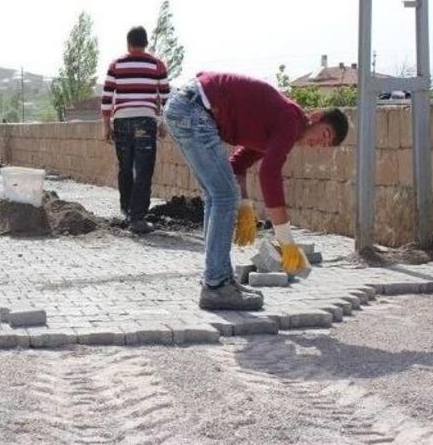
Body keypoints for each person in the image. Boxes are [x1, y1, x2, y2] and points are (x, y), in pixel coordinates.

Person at [162, 72, 349, 311]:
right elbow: (269, 174)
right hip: (194, 109)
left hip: (186, 106)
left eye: (326, 145)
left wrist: (245, 206)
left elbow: (238, 164)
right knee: (224, 195)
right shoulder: (291, 121)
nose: (320, 144)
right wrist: (285, 238)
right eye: (325, 135)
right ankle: (216, 285)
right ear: (317, 117)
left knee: (218, 194)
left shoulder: (280, 127)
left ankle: (217, 279)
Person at [101, 26, 171, 234]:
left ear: (128, 43)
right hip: (145, 122)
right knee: (143, 169)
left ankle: (126, 209)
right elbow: (166, 99)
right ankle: (137, 218)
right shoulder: (157, 65)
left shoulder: (116, 65)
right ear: (146, 43)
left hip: (121, 122)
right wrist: (163, 123)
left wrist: (106, 125)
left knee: (125, 166)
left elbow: (106, 97)